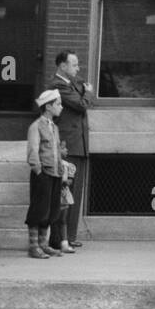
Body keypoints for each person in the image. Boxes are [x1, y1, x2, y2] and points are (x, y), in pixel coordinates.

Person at [53, 51, 93, 249]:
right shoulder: (58, 85)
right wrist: (88, 93)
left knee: (75, 193)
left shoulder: (71, 84)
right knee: (66, 192)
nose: (78, 69)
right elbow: (80, 105)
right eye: (74, 65)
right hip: (68, 146)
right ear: (62, 66)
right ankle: (63, 237)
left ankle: (70, 235)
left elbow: (79, 90)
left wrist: (82, 87)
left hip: (79, 144)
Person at [25, 90, 65, 259]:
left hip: (55, 173)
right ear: (48, 107)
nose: (61, 107)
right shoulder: (36, 126)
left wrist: (61, 168)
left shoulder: (54, 127)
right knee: (38, 209)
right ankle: (33, 246)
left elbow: (56, 151)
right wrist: (38, 170)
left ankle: (43, 244)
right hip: (43, 174)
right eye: (58, 104)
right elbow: (33, 150)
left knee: (51, 209)